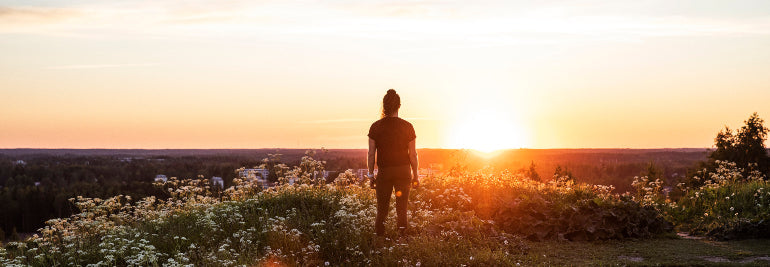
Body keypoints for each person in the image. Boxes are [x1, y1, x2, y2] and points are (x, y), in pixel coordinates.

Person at [367, 89, 419, 237]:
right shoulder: (407, 126)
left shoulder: (375, 127)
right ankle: (402, 240)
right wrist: (415, 175)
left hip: (385, 172)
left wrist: (371, 175)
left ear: (384, 106)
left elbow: (371, 154)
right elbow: (413, 155)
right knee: (402, 209)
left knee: (382, 210)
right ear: (399, 106)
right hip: (403, 171)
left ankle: (379, 241)